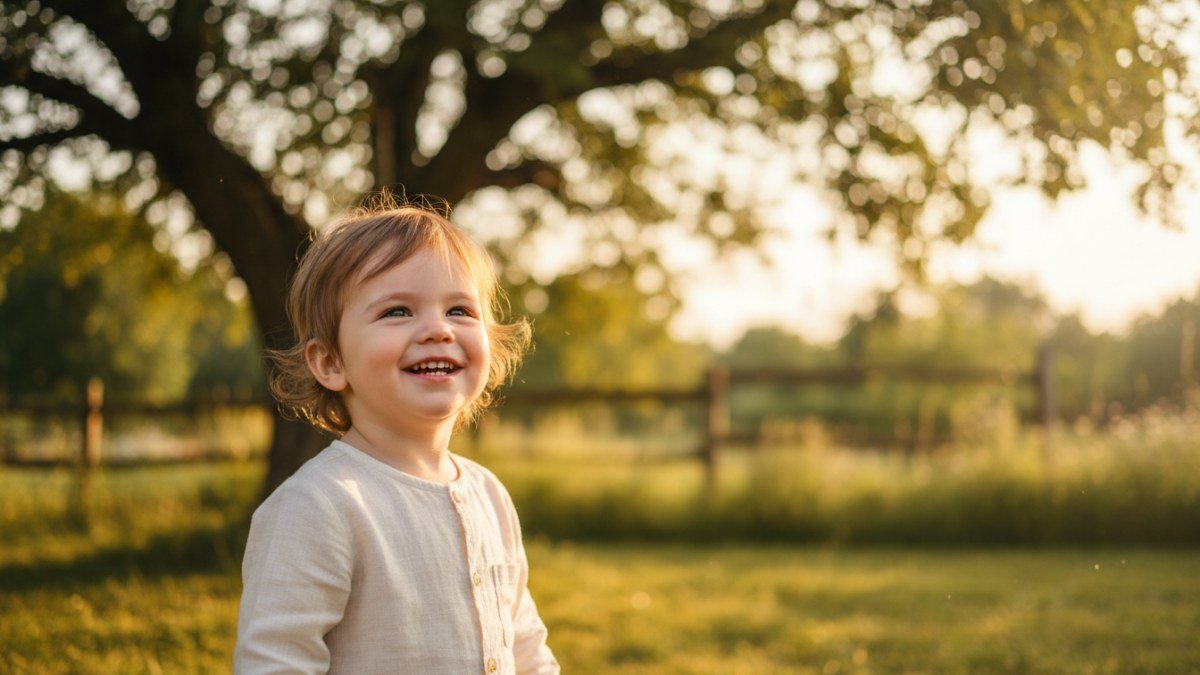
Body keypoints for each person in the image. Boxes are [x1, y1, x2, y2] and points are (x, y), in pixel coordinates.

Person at [234, 197, 559, 674]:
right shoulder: (317, 506)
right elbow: (274, 663)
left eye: (460, 310)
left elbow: (526, 647)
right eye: (397, 312)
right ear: (330, 362)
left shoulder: (489, 495)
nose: (437, 329)